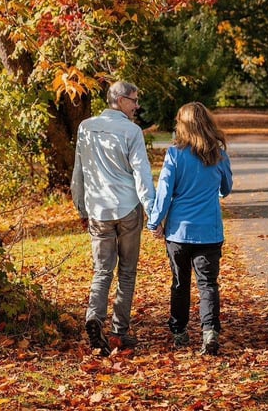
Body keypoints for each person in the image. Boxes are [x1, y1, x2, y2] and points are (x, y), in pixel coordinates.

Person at [71, 80, 155, 356]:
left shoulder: (86, 127)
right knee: (127, 272)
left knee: (102, 270)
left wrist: (81, 208)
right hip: (128, 208)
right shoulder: (132, 131)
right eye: (134, 99)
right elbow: (141, 175)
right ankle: (119, 331)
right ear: (120, 100)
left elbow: (79, 173)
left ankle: (94, 316)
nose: (137, 105)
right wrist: (153, 211)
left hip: (98, 211)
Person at [147, 101, 232, 355]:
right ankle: (209, 332)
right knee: (208, 283)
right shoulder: (218, 154)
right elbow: (226, 189)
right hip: (209, 231)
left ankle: (180, 331)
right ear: (207, 123)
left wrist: (155, 221)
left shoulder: (174, 154)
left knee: (180, 283)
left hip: (178, 233)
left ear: (182, 125)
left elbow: (163, 193)